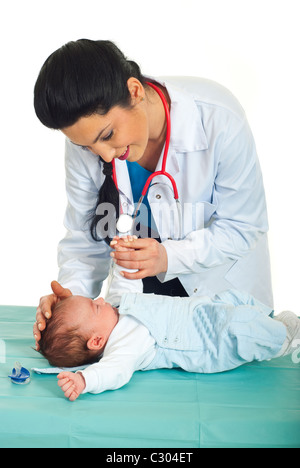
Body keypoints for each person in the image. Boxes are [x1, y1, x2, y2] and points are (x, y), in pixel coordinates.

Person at [33, 39, 273, 347]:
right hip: (140, 301)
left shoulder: (218, 119)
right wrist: (71, 304)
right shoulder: (89, 139)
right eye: (88, 146)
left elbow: (244, 227)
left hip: (220, 294)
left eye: (108, 136)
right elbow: (84, 237)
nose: (104, 156)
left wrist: (168, 257)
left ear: (134, 91)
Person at [37, 276, 300, 402]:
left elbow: (126, 283)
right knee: (240, 329)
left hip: (201, 310)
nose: (101, 300)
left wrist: (122, 255)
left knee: (234, 302)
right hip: (204, 341)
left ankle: (271, 320)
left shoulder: (116, 310)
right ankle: (284, 338)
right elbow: (114, 372)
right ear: (96, 342)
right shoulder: (124, 345)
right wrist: (85, 380)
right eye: (95, 307)